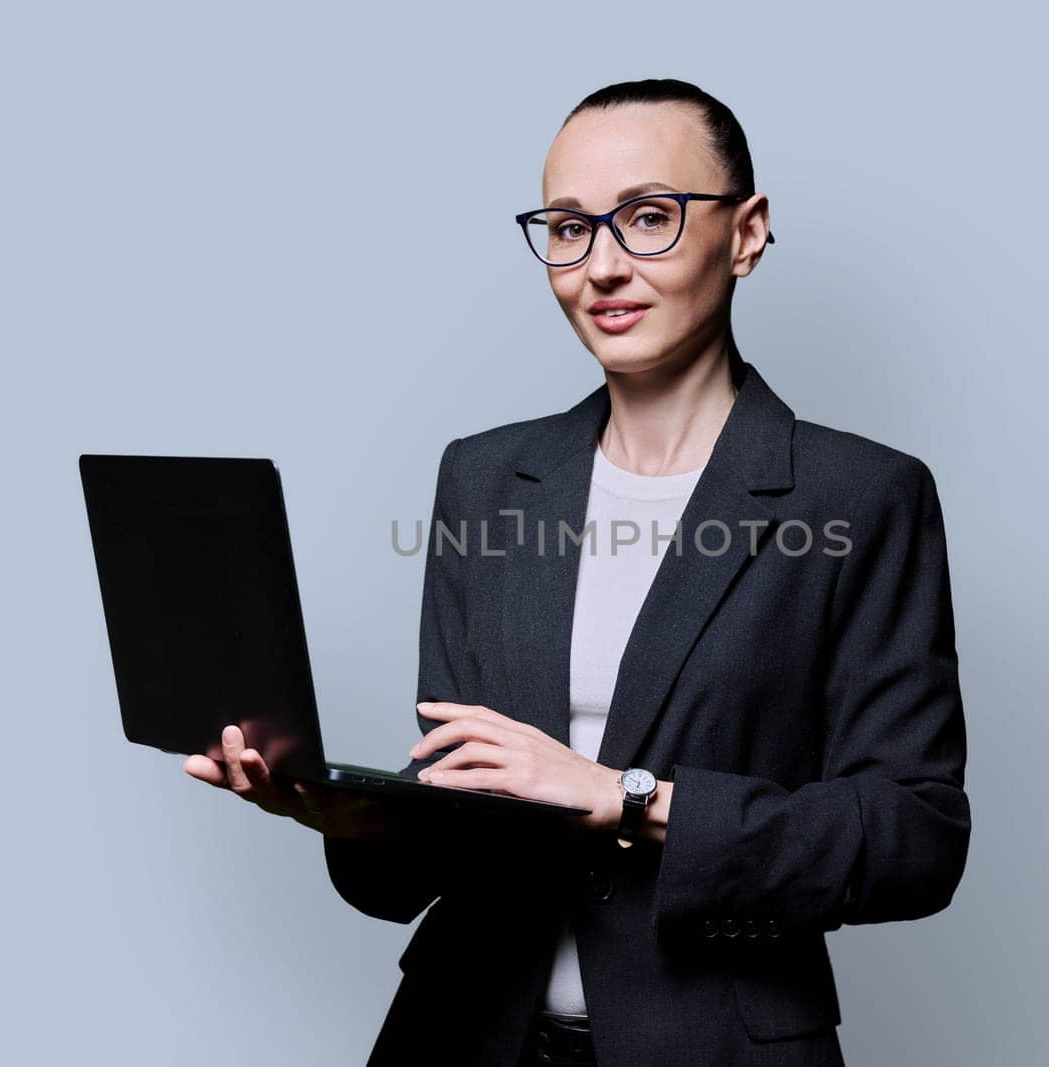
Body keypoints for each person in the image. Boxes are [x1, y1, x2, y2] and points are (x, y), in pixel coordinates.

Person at [184, 78, 971, 1066]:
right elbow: (455, 808)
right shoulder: (485, 477)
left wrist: (629, 796)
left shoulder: (860, 496)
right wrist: (352, 812)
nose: (600, 265)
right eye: (566, 227)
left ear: (747, 232)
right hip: (464, 1030)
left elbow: (914, 837)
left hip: (714, 1044)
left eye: (649, 217)